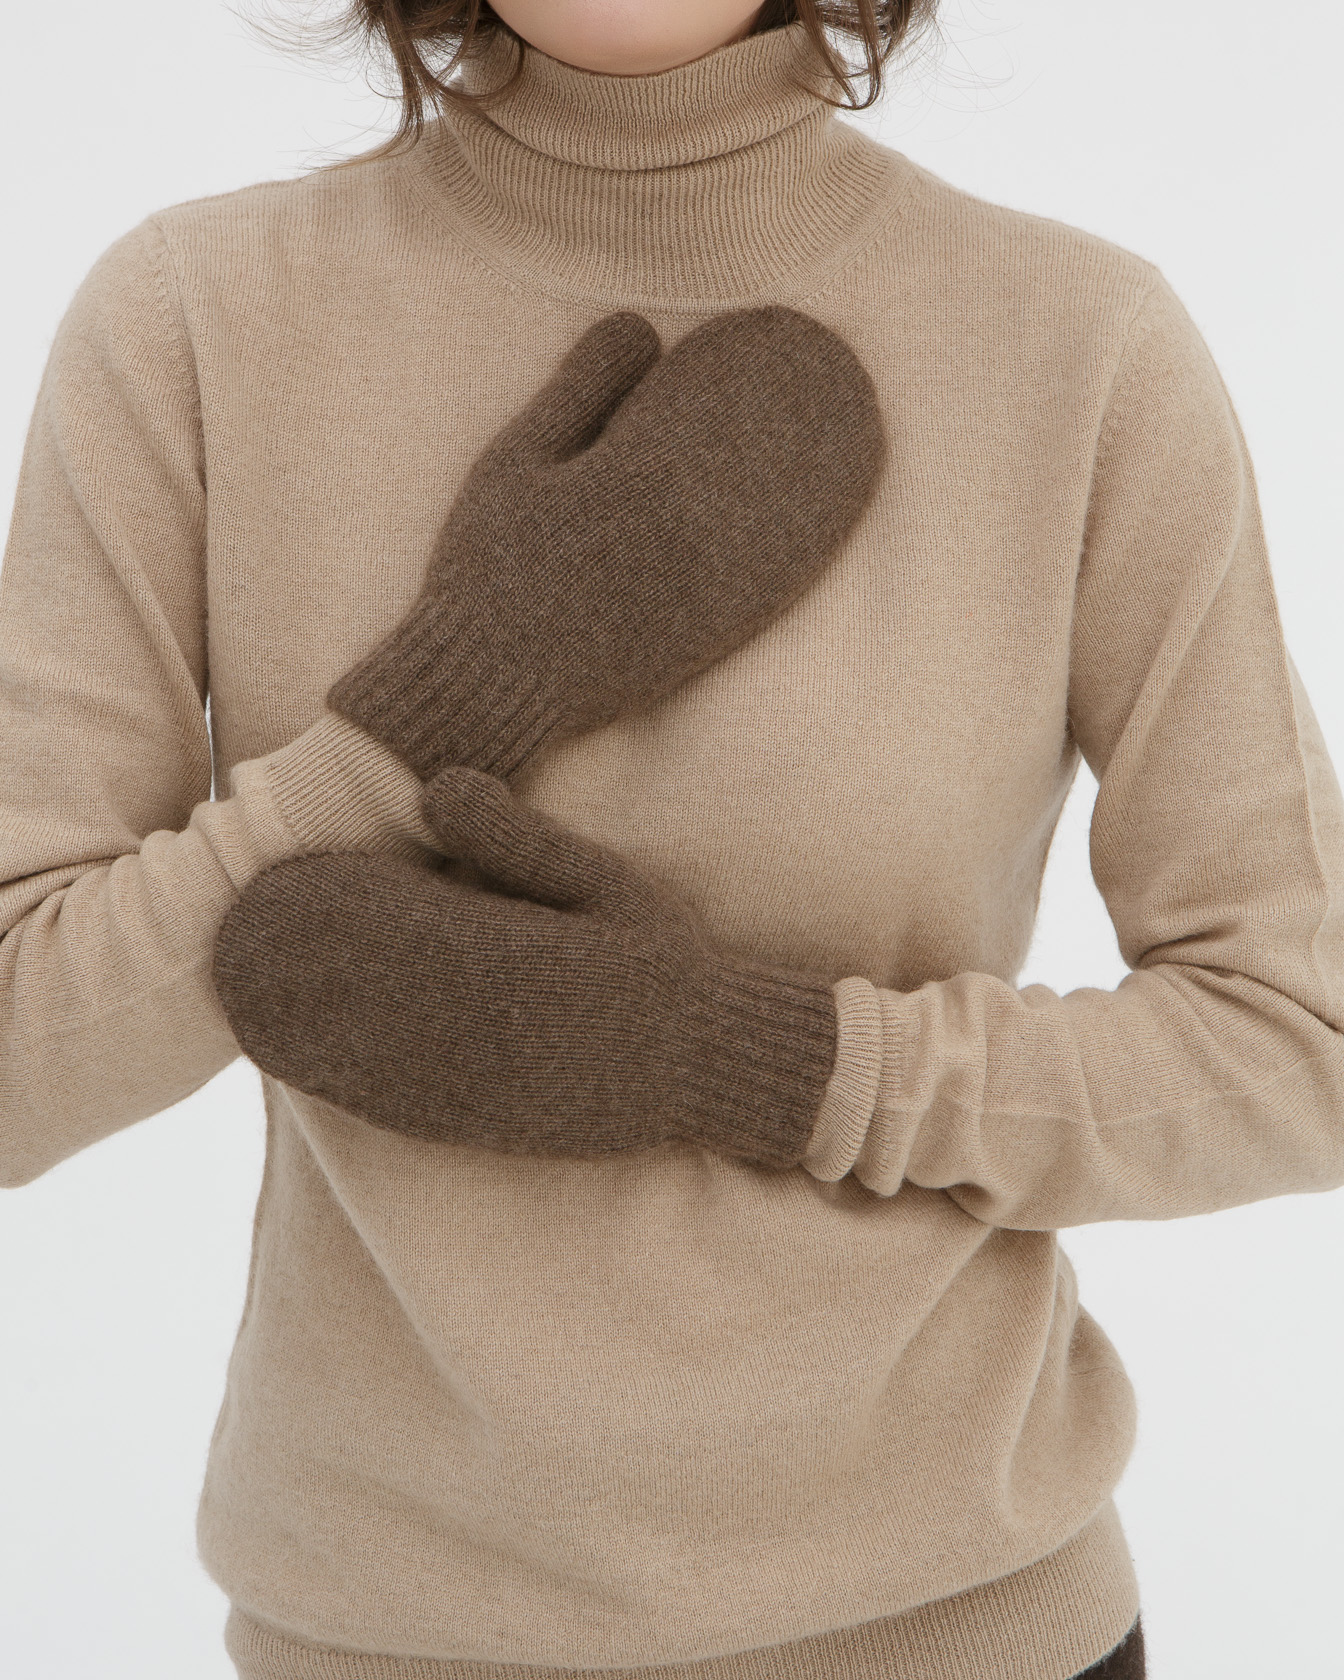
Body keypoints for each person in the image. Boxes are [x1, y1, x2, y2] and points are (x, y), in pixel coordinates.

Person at [2, 2, 1341, 1677]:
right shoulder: (194, 320)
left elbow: (1301, 1043)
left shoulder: (1079, 345)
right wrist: (434, 710)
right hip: (383, 1632)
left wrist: (761, 1062)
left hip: (965, 1629)